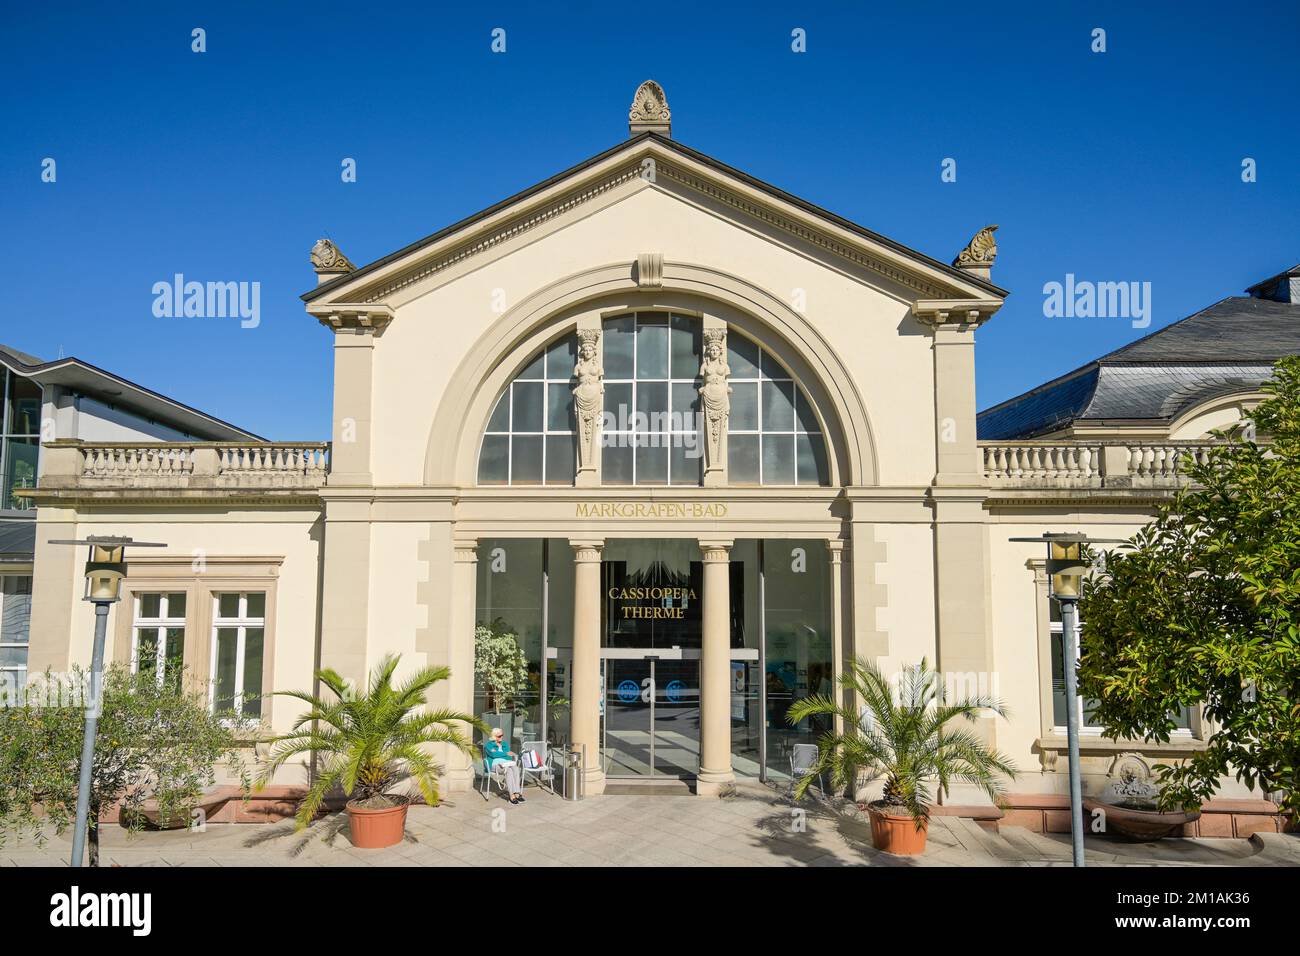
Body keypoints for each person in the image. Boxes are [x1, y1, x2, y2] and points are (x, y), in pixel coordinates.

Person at [484, 728, 524, 804]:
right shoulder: (489, 745)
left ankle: (517, 793)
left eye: (502, 735)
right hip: (494, 765)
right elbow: (493, 755)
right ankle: (511, 795)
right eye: (499, 736)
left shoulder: (504, 744)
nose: (501, 737)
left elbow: (509, 756)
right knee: (508, 770)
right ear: (494, 736)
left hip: (506, 763)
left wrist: (503, 755)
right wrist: (505, 754)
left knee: (515, 768)